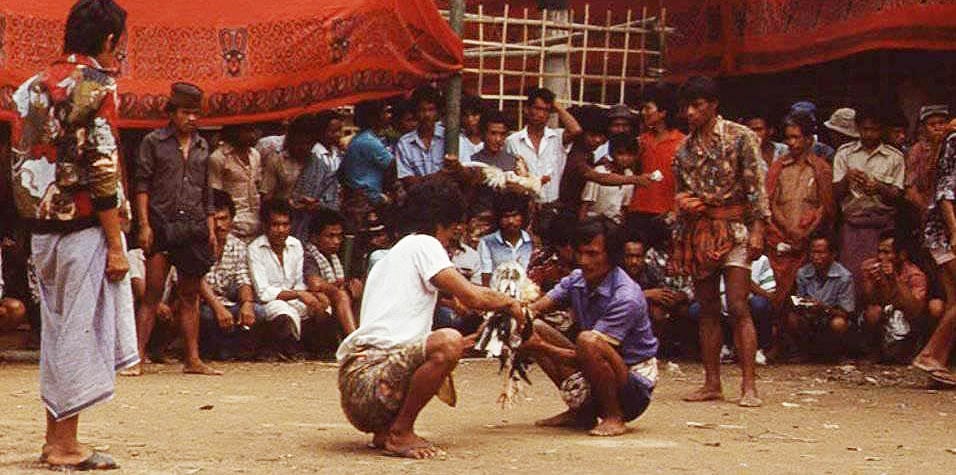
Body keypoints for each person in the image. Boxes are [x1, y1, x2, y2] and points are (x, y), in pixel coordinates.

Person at [9, 0, 135, 468]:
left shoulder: (29, 87)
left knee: (58, 333)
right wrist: (116, 243)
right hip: (82, 226)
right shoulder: (97, 85)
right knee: (80, 334)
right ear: (109, 40)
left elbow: (20, 162)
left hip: (42, 230)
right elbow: (102, 168)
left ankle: (54, 437)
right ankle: (64, 444)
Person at [337, 177, 523, 459]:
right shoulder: (424, 244)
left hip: (361, 385)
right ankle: (400, 432)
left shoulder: (392, 256)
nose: (454, 235)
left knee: (449, 342)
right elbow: (472, 297)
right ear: (444, 222)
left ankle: (387, 430)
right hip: (370, 382)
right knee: (448, 342)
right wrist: (511, 302)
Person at [671, 76, 767, 407]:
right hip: (700, 231)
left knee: (738, 305)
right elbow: (681, 192)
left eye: (697, 106)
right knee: (707, 308)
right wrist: (685, 207)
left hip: (736, 228)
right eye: (687, 107)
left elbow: (756, 188)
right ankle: (712, 382)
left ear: (713, 105)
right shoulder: (683, 150)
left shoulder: (741, 138)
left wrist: (758, 228)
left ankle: (749, 385)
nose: (690, 113)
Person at [522, 218, 658, 436]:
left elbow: (587, 354)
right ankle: (582, 413)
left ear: (611, 256)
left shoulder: (626, 296)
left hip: (632, 385)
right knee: (532, 325)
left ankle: (614, 416)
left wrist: (541, 347)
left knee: (588, 340)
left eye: (592, 254)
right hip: (594, 361)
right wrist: (507, 316)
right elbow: (534, 309)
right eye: (580, 253)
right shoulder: (577, 279)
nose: (584, 261)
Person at [129, 82, 220, 377]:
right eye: (185, 112)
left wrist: (210, 227)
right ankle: (137, 357)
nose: (191, 118)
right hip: (161, 224)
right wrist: (144, 225)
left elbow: (206, 191)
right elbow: (142, 185)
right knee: (153, 293)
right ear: (172, 112)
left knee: (190, 295)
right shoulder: (153, 142)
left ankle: (192, 359)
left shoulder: (203, 146)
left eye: (195, 113)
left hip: (193, 224)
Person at [765, 112, 835, 307]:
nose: (791, 143)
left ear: (809, 139)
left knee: (805, 298)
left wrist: (806, 234)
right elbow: (770, 203)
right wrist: (789, 230)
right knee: (777, 296)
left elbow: (825, 207)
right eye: (788, 138)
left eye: (796, 137)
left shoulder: (821, 169)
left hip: (809, 243)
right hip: (781, 241)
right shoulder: (778, 168)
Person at [832, 105, 904, 293]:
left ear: (882, 130)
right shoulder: (844, 153)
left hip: (883, 227)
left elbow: (898, 196)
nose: (870, 134)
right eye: (865, 129)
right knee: (850, 278)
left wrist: (879, 188)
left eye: (875, 129)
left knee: (881, 277)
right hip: (853, 226)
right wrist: (847, 179)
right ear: (858, 128)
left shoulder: (895, 157)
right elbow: (835, 194)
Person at [248, 199, 329, 359]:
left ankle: (316, 349)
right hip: (270, 302)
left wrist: (309, 297)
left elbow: (299, 282)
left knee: (323, 308)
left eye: (285, 225)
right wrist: (298, 295)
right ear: (265, 226)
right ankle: (287, 348)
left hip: (294, 297)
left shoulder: (295, 245)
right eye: (275, 225)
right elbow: (263, 292)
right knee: (283, 312)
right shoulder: (255, 248)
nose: (281, 230)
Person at [913, 127, 956, 387]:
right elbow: (945, 193)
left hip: (945, 231)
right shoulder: (954, 139)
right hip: (945, 232)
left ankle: (937, 363)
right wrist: (955, 230)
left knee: (954, 302)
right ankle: (930, 354)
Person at [198, 190, 264, 360]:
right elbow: (197, 281)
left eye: (224, 219)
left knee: (258, 311)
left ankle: (236, 350)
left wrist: (247, 303)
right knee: (205, 315)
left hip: (228, 303)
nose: (219, 225)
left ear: (232, 219)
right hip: (204, 304)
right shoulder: (197, 245)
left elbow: (243, 279)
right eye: (214, 219)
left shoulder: (238, 245)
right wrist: (218, 308)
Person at [506, 87, 583, 222]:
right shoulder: (512, 141)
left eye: (546, 110)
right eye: (537, 108)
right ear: (527, 110)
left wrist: (556, 106)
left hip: (553, 207)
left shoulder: (557, 137)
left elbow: (576, 130)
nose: (541, 114)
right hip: (524, 206)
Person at [626, 83, 685, 251]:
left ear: (663, 112)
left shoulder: (682, 143)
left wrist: (675, 211)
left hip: (666, 213)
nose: (643, 113)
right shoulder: (641, 141)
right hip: (638, 210)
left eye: (647, 108)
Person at [860, 230, 929, 363]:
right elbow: (868, 300)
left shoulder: (915, 275)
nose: (881, 257)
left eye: (887, 252)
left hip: (906, 319)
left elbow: (914, 310)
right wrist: (874, 282)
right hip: (882, 316)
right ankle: (874, 352)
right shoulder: (870, 266)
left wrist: (894, 279)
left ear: (902, 255)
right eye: (879, 251)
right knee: (873, 312)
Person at [785, 233, 855, 359]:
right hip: (809, 317)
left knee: (839, 323)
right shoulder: (803, 273)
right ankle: (801, 352)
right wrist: (802, 304)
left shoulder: (844, 277)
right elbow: (799, 299)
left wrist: (824, 308)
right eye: (813, 252)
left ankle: (838, 354)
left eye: (821, 252)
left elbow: (847, 312)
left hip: (830, 318)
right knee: (792, 318)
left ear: (833, 254)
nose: (816, 257)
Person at [622, 237, 692, 357]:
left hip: (644, 310)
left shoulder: (650, 270)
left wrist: (671, 298)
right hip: (620, 313)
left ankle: (654, 351)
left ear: (644, 257)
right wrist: (646, 294)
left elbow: (662, 291)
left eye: (638, 257)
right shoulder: (616, 271)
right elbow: (613, 299)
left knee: (661, 312)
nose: (634, 261)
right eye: (629, 256)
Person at [303, 208, 359, 341]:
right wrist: (339, 288)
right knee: (341, 295)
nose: (336, 241)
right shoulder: (307, 255)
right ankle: (355, 340)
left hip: (330, 299)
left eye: (339, 236)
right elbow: (315, 284)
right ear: (315, 238)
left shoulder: (333, 255)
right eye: (330, 236)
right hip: (310, 301)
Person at [290, 110, 346, 240]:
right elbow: (310, 189)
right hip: (314, 214)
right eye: (332, 131)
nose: (337, 135)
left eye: (339, 130)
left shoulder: (336, 152)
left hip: (331, 208)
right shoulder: (315, 155)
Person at [341, 100, 395, 230]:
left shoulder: (364, 138)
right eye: (385, 112)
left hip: (364, 197)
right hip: (365, 201)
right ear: (373, 117)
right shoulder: (368, 141)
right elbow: (394, 166)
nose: (389, 116)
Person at [208, 123, 262, 241]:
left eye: (252, 130)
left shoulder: (255, 155)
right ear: (234, 131)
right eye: (246, 130)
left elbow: (258, 185)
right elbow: (215, 195)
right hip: (233, 225)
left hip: (256, 221)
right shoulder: (218, 158)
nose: (252, 134)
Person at [396, 86, 448, 188]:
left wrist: (423, 180)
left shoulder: (448, 137)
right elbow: (407, 180)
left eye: (431, 109)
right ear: (415, 112)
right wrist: (437, 177)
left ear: (437, 112)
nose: (427, 114)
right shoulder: (404, 143)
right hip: (418, 196)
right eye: (421, 110)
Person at [478, 193, 534, 285]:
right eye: (506, 217)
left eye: (515, 215)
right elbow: (486, 277)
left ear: (522, 216)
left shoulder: (532, 242)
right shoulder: (487, 243)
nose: (511, 221)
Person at [579, 135, 637, 224]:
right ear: (612, 153)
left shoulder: (629, 175)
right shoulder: (600, 172)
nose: (625, 158)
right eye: (621, 154)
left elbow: (624, 207)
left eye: (630, 155)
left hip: (615, 223)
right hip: (594, 222)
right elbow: (585, 205)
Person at [261, 115, 317, 203]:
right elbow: (267, 196)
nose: (303, 147)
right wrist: (286, 203)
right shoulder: (277, 160)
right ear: (291, 140)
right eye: (299, 143)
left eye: (308, 143)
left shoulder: (317, 162)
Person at [459, 95, 485, 162]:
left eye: (474, 115)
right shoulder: (459, 139)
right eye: (466, 115)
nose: (470, 119)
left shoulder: (490, 141)